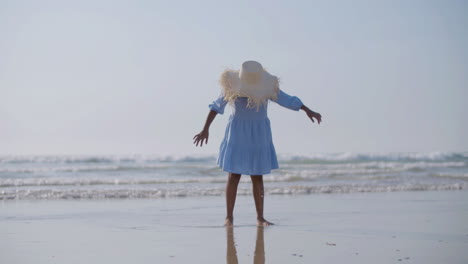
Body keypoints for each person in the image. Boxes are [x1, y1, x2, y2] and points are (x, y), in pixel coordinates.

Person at [193, 61, 322, 227]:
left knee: (257, 175)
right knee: (233, 175)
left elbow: (287, 100)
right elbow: (216, 107)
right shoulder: (232, 85)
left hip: (259, 133)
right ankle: (229, 217)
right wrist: (205, 129)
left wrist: (307, 110)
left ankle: (260, 217)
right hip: (238, 132)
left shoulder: (267, 88)